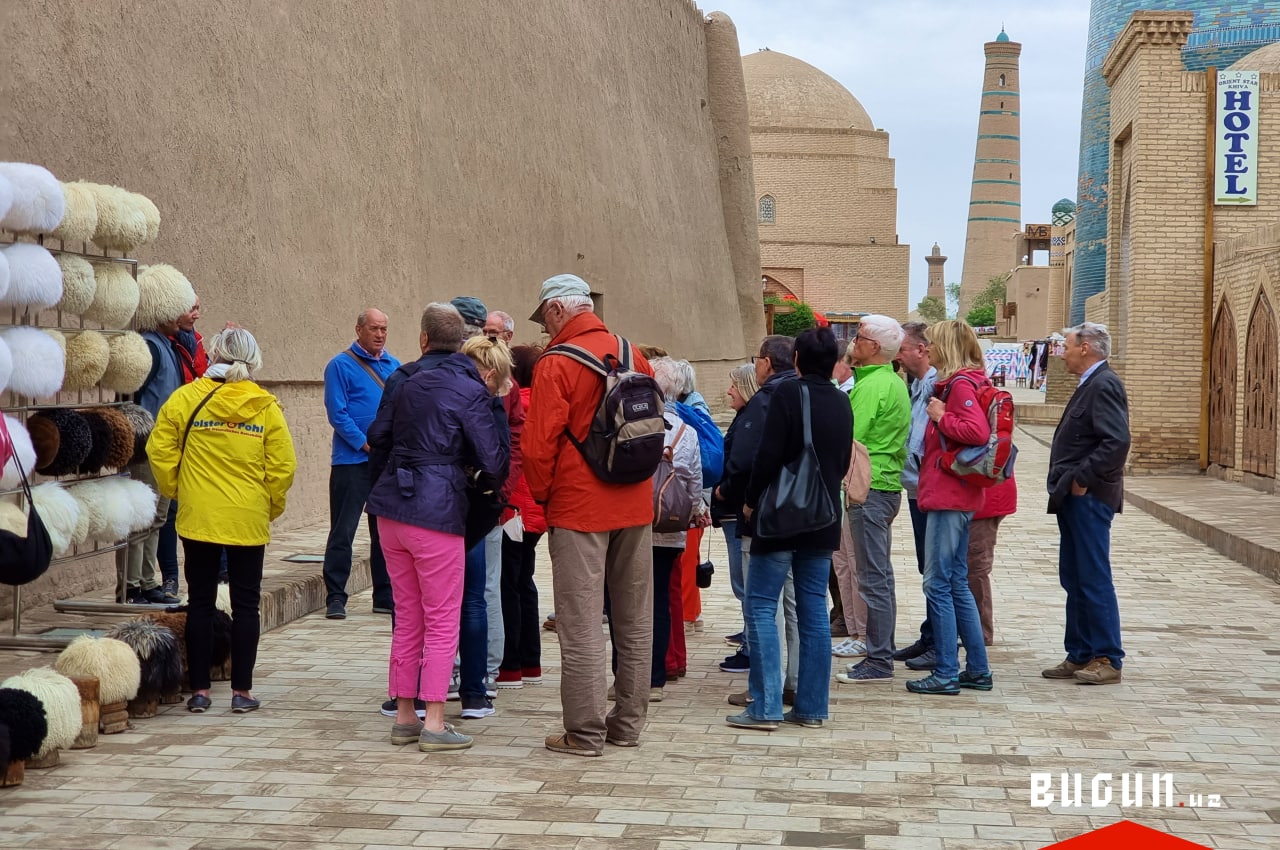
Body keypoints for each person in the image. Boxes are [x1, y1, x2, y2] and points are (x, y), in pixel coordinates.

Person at [523, 273, 656, 756]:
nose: (544, 329)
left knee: (581, 625)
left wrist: (544, 498)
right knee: (635, 620)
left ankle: (583, 734)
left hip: (580, 505)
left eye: (545, 319)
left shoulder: (555, 363)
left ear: (559, 310)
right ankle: (628, 726)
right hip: (635, 500)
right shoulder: (631, 351)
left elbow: (539, 447)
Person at [366, 302, 505, 752]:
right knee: (444, 619)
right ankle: (436, 722)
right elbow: (494, 461)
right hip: (437, 509)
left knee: (408, 617)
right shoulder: (470, 389)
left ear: (424, 339)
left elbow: (378, 436)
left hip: (393, 507)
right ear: (465, 343)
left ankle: (406, 715)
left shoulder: (406, 379)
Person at [148, 327, 297, 714]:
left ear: (213, 355)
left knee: (199, 602)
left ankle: (199, 692)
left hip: (199, 516)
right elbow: (282, 467)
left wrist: (179, 489)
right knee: (247, 605)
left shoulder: (186, 399)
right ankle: (242, 692)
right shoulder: (264, 406)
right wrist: (270, 507)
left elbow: (159, 448)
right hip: (247, 518)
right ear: (253, 359)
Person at [728, 327, 852, 730]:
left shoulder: (786, 395)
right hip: (821, 515)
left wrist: (750, 499)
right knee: (814, 610)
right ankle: (812, 706)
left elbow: (766, 457)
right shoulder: (841, 401)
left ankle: (764, 706)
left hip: (781, 516)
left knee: (762, 604)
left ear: (796, 359)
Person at [908, 320, 993, 696]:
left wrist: (942, 416)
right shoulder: (965, 382)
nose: (929, 349)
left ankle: (945, 671)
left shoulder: (959, 385)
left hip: (948, 495)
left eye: (933, 343)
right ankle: (976, 668)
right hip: (955, 493)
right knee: (955, 582)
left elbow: (976, 432)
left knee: (938, 584)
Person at [1043, 322, 1130, 685]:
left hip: (1089, 498)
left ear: (1087, 347)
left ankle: (1107, 657)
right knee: (1075, 576)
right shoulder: (1090, 384)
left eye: (1067, 345)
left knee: (1093, 577)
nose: (1062, 351)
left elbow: (1116, 442)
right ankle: (1079, 653)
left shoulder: (1104, 384)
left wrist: (1082, 479)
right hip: (1073, 498)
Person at [715, 335, 799, 706]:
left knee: (763, 604)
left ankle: (766, 690)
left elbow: (746, 462)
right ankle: (794, 681)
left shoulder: (766, 401)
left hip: (766, 516)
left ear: (765, 363)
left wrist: (738, 497)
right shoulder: (815, 395)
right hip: (804, 514)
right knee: (794, 605)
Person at [837, 315, 910, 684]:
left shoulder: (874, 385)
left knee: (873, 578)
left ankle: (879, 659)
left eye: (861, 337)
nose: (855, 342)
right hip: (884, 486)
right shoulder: (891, 381)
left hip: (870, 487)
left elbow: (851, 435)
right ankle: (882, 652)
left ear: (875, 347)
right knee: (879, 576)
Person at [626, 357, 703, 701]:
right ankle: (656, 678)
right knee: (660, 601)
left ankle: (629, 675)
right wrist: (695, 510)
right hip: (671, 528)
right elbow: (695, 483)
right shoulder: (687, 431)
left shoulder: (635, 422)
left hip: (636, 525)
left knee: (631, 602)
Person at [321, 308, 401, 620]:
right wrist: (365, 442)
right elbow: (337, 413)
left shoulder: (394, 366)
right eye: (374, 328)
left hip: (384, 463)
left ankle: (384, 595)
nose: (380, 334)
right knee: (343, 531)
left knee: (384, 531)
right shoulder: (340, 365)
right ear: (359, 329)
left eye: (384, 329)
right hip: (351, 462)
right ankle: (335, 597)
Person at [456, 333, 517, 720]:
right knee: (478, 596)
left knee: (466, 598)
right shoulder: (488, 404)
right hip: (480, 508)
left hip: (459, 510)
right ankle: (478, 685)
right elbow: (503, 457)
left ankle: (467, 679)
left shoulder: (466, 400)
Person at [119, 298, 193, 605]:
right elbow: (131, 396)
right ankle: (131, 585)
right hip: (148, 443)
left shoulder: (169, 345)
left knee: (158, 517)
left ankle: (149, 581)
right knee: (140, 515)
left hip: (166, 444)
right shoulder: (149, 347)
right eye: (180, 308)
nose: (187, 315)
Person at [496, 344, 546, 689]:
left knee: (507, 586)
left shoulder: (515, 405)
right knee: (525, 583)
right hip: (537, 509)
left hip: (513, 507)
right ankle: (531, 663)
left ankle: (510, 665)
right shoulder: (545, 406)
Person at [891, 321, 940, 670]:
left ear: (921, 350)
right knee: (926, 565)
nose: (898, 356)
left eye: (903, 349)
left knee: (937, 568)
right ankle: (931, 634)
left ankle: (940, 642)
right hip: (916, 488)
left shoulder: (937, 385)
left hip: (930, 488)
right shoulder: (918, 385)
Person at [157, 293, 210, 599]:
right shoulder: (162, 344)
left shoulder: (196, 342)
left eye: (198, 308)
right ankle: (170, 578)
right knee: (168, 511)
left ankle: (214, 576)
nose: (196, 315)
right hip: (174, 433)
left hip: (198, 437)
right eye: (192, 309)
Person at [710, 364, 758, 652]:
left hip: (736, 508)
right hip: (732, 509)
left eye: (734, 386)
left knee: (743, 579)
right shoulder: (745, 417)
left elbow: (742, 464)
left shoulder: (749, 419)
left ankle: (751, 645)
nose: (729, 391)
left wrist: (723, 489)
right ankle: (748, 634)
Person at [829, 343, 868, 659]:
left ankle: (863, 632)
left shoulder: (850, 394)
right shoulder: (842, 392)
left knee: (856, 564)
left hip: (854, 486)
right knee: (842, 563)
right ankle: (853, 628)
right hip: (842, 486)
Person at [969, 474, 1016, 645]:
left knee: (975, 568)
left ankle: (980, 632)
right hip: (980, 497)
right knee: (971, 568)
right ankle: (973, 628)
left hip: (984, 500)